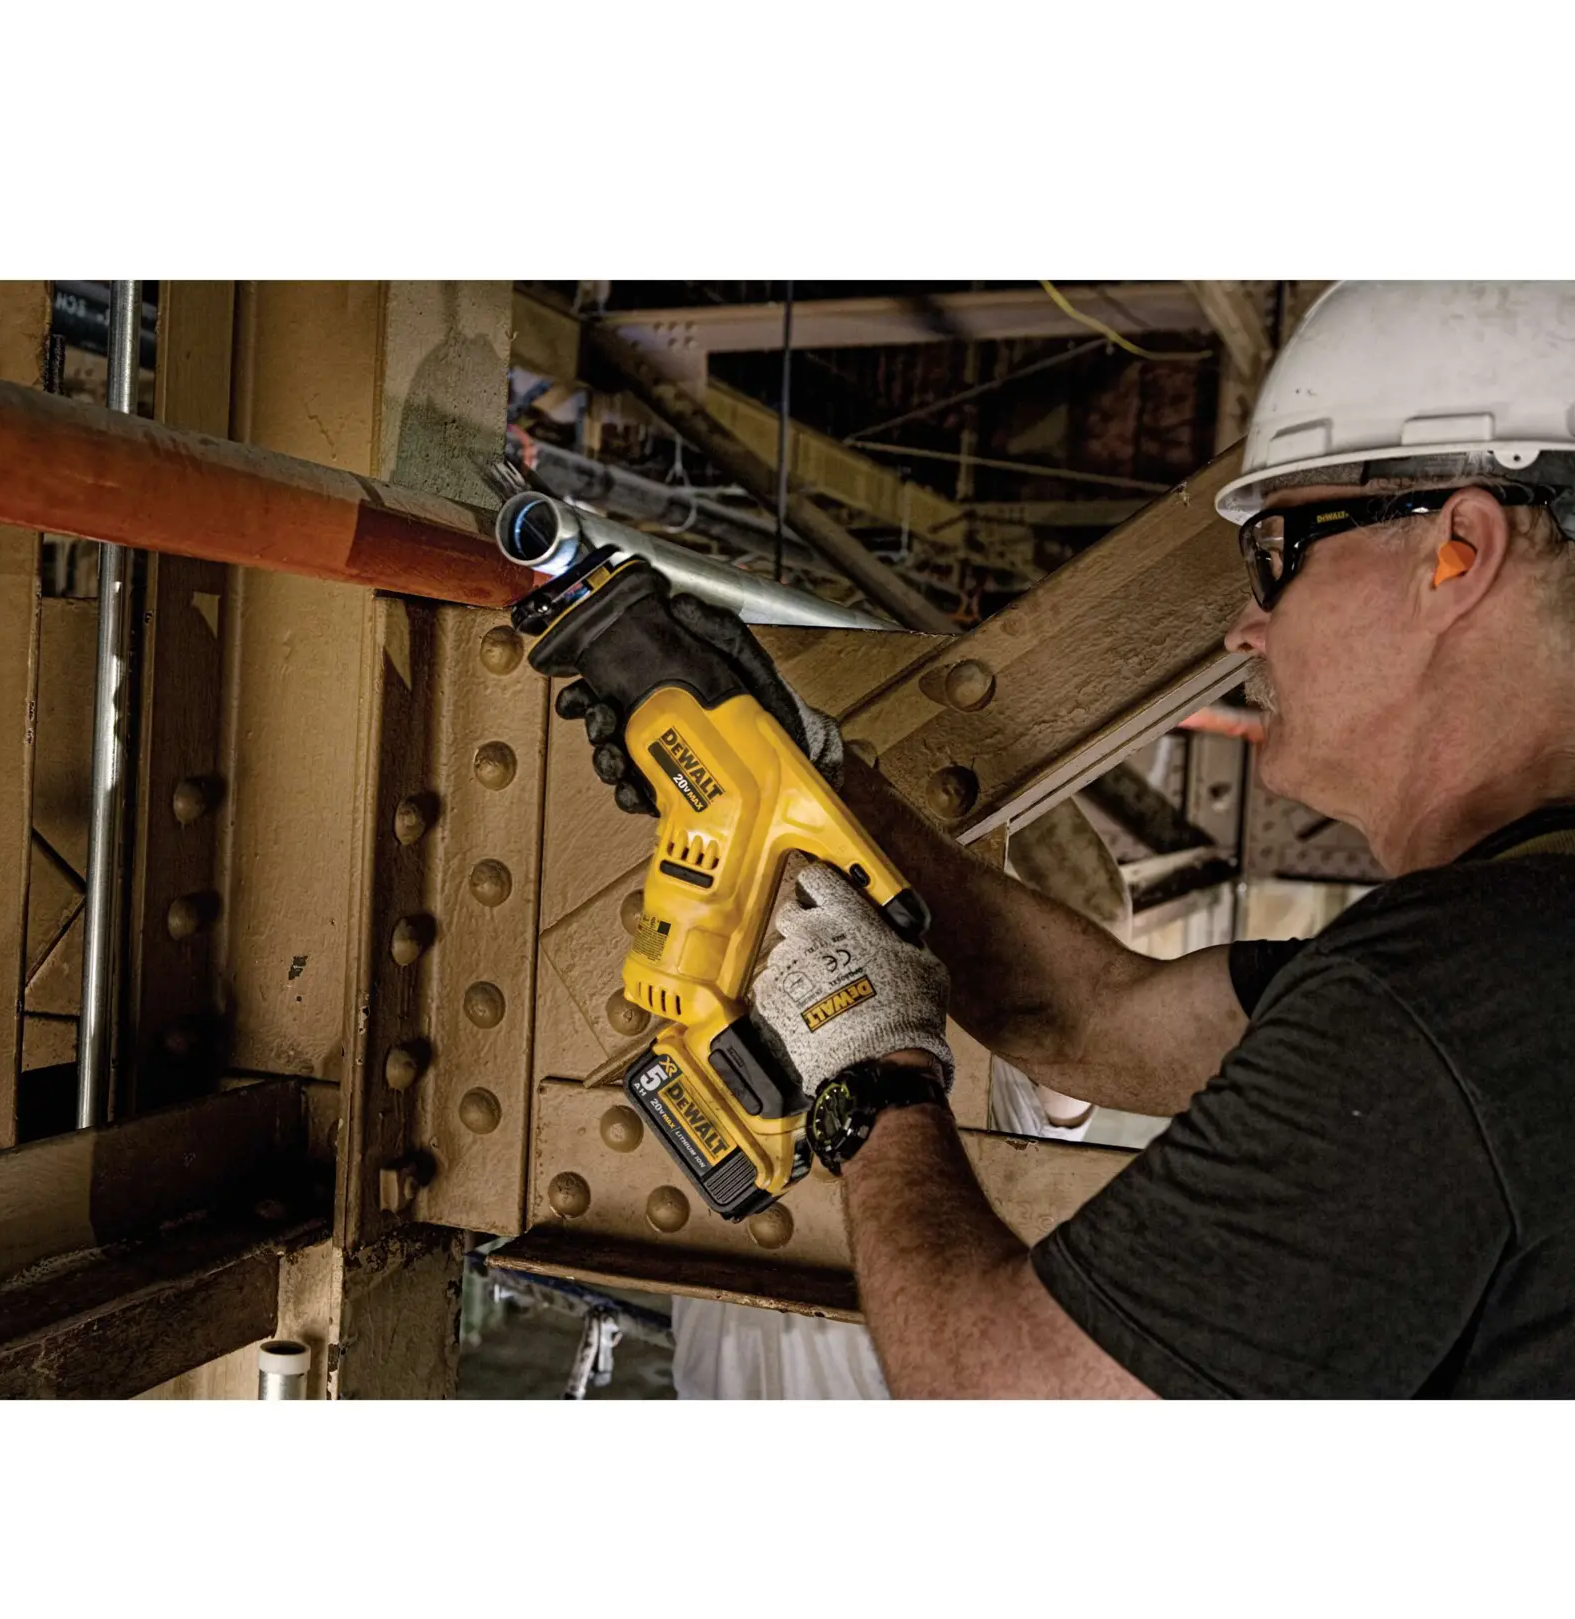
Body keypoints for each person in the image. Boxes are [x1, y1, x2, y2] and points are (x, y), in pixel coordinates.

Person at [565, 281, 1575, 1398]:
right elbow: (1088, 1019)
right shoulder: (1508, 964)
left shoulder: (1449, 1001)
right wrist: (807, 769)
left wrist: (873, 1084)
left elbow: (1009, 1402)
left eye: (1282, 549)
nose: (1248, 625)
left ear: (1458, 552)